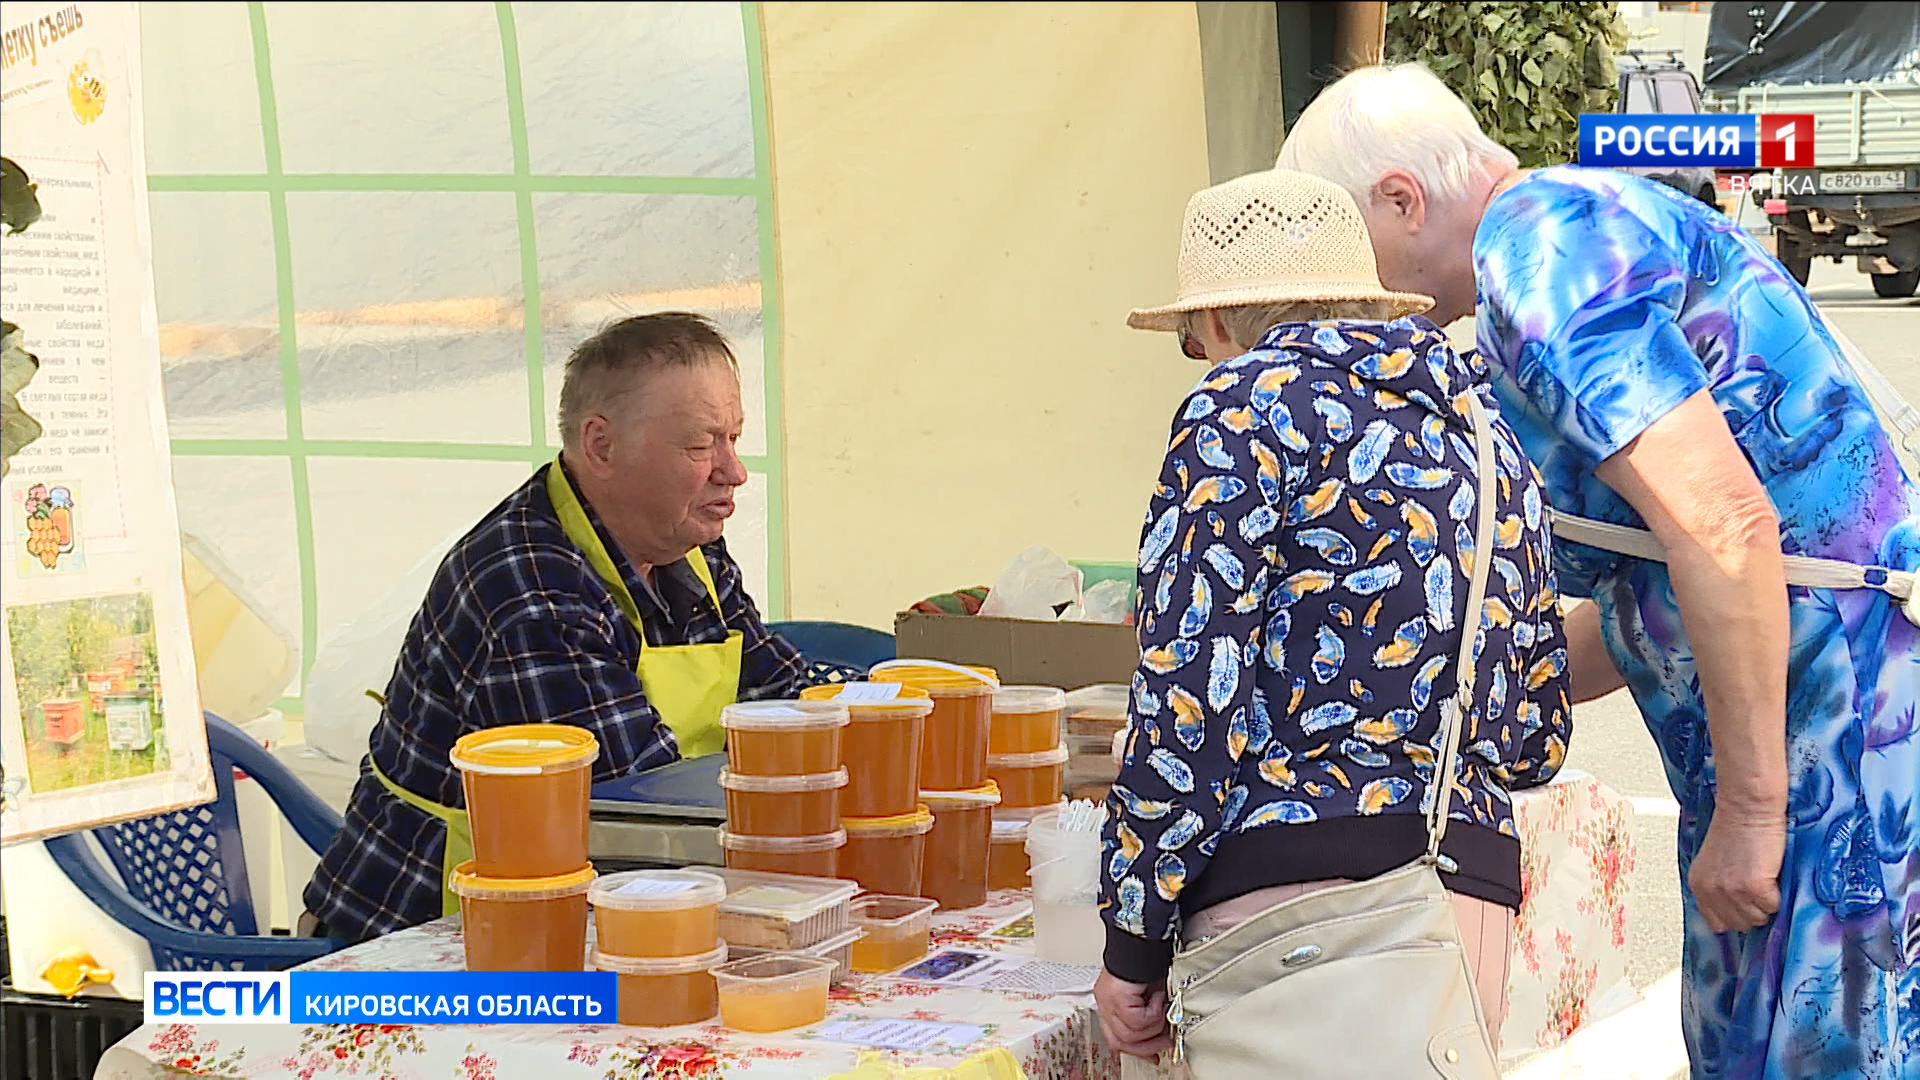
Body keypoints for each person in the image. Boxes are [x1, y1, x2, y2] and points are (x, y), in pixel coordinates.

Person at [1279, 64, 1920, 1078]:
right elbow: (1654, 580)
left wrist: (1756, 817)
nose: (1353, 299)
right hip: (1798, 731)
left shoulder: (1543, 264)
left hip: (1837, 745)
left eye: (1350, 252)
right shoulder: (1559, 236)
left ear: (1402, 199)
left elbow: (1725, 530)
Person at [1093, 168, 1574, 1061]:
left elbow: (1189, 708)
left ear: (1215, 323)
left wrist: (1131, 938)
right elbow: (1536, 733)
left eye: (1193, 343)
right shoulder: (1482, 429)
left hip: (1299, 915)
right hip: (1463, 900)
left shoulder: (1238, 408)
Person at [302, 312, 811, 944]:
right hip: (424, 941)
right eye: (700, 445)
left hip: (598, 902)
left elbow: (785, 702)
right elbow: (637, 819)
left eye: (734, 439)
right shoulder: (532, 589)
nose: (733, 471)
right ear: (601, 446)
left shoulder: (686, 544)